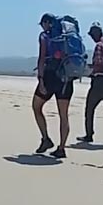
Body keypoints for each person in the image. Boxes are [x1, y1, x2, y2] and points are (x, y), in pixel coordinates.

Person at [32, 13, 75, 159]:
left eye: (43, 23)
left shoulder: (45, 36)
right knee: (64, 115)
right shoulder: (68, 37)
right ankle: (61, 148)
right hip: (67, 79)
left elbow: (42, 57)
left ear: (46, 23)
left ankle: (46, 139)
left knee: (36, 107)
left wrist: (41, 79)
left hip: (51, 77)